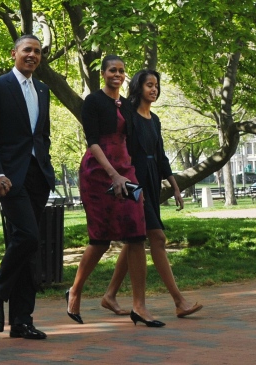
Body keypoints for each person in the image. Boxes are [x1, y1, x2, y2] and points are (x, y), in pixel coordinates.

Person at [66, 55, 165, 327]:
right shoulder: (94, 102)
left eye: (121, 70)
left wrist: (138, 175)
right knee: (100, 239)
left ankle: (139, 307)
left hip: (126, 171)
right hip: (99, 172)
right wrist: (114, 175)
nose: (117, 74)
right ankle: (75, 291)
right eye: (112, 70)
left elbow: (137, 136)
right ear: (103, 73)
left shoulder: (128, 106)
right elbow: (93, 142)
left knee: (136, 235)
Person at [101, 69, 203, 318]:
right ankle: (179, 301)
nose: (154, 89)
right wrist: (131, 184)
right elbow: (120, 152)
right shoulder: (128, 117)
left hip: (152, 179)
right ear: (138, 87)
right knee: (156, 238)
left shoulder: (154, 119)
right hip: (134, 181)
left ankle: (110, 295)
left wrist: (175, 186)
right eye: (149, 85)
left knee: (136, 238)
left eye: (156, 85)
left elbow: (161, 156)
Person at [0, 34, 56, 340]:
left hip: (39, 176)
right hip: (9, 179)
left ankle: (22, 321)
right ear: (14, 53)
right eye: (27, 50)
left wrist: (46, 164)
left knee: (30, 248)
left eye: (37, 51)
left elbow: (42, 134)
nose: (33, 55)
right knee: (27, 235)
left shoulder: (43, 89)